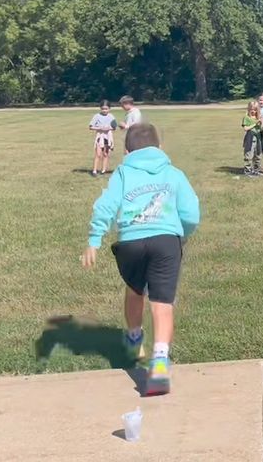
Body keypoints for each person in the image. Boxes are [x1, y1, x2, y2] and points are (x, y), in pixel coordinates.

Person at [81, 123, 200, 396]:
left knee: (135, 288)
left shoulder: (123, 172)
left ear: (126, 150)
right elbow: (191, 212)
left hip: (131, 243)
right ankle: (159, 364)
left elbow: (106, 205)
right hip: (165, 242)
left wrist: (94, 240)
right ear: (160, 148)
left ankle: (135, 337)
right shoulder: (173, 173)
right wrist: (181, 235)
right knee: (162, 303)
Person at [88, 100, 118, 177]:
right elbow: (91, 127)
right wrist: (99, 128)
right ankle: (94, 170)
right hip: (100, 136)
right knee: (98, 154)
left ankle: (103, 170)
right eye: (103, 109)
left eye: (106, 109)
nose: (104, 110)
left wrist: (109, 128)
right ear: (100, 108)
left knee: (105, 154)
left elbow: (114, 127)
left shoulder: (111, 116)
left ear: (109, 109)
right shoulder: (96, 116)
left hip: (108, 137)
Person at [242, 100, 263, 177]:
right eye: (251, 109)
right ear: (248, 109)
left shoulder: (258, 117)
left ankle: (256, 170)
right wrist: (255, 124)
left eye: (255, 110)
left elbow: (260, 129)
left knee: (258, 154)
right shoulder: (246, 117)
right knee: (249, 154)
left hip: (258, 138)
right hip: (250, 138)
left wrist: (261, 123)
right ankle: (247, 171)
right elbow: (246, 128)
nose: (253, 111)